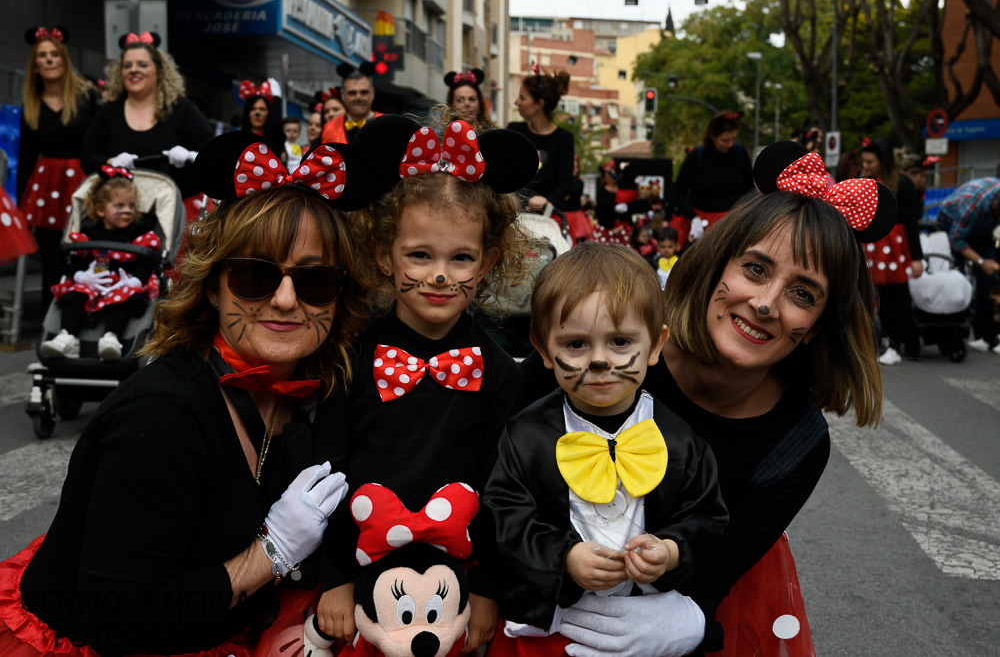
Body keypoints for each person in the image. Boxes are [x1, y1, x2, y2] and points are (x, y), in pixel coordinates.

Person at [0, 128, 387, 656]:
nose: (285, 299)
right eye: (255, 276)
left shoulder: (313, 394)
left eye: (315, 280)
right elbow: (117, 618)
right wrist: (269, 554)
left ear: (340, 297)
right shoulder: (162, 417)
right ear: (212, 284)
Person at [517, 141, 893, 656]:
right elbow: (494, 452)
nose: (764, 303)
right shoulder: (616, 338)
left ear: (817, 327)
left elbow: (713, 578)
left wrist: (690, 617)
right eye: (756, 269)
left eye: (802, 293)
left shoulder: (798, 442)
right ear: (718, 263)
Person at [311, 115, 539, 654]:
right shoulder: (349, 358)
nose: (440, 275)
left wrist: (487, 587)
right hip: (363, 582)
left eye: (461, 257)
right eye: (420, 255)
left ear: (488, 262)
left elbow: (501, 488)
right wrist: (334, 576)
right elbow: (326, 475)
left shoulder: (501, 371)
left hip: (456, 588)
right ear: (381, 253)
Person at [483, 243, 728, 657]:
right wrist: (566, 557)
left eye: (619, 341)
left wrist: (670, 551)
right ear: (544, 349)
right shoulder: (525, 434)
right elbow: (505, 514)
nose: (599, 361)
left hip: (646, 618)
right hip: (550, 621)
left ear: (655, 345)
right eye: (576, 344)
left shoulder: (680, 438)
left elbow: (706, 514)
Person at [81, 31, 214, 219]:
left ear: (159, 71)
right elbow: (87, 157)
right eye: (127, 65)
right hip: (122, 216)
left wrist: (191, 157)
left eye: (142, 64)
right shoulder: (108, 113)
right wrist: (111, 162)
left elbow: (212, 154)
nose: (134, 70)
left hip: (177, 213)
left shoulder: (182, 109)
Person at [18, 26, 99, 314]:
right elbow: (26, 156)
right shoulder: (32, 104)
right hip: (47, 186)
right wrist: (20, 206)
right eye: (43, 55)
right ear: (35, 64)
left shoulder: (87, 95)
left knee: (86, 252)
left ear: (64, 60)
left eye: (55, 54)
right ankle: (48, 324)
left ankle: (85, 319)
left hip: (83, 181)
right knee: (51, 259)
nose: (50, 60)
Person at [41, 167, 159, 361]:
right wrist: (80, 276)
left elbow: (147, 260)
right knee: (73, 295)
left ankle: (111, 338)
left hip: (123, 282)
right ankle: (68, 337)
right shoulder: (89, 233)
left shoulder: (138, 233)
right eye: (119, 206)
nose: (127, 211)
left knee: (122, 301)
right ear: (101, 210)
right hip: (93, 279)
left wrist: (137, 281)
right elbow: (77, 258)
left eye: (131, 206)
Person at [859, 137, 923, 364]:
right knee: (878, 297)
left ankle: (898, 344)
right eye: (864, 161)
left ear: (883, 161)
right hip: (874, 246)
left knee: (896, 297)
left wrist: (917, 258)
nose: (865, 165)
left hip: (895, 247)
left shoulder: (903, 184)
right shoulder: (865, 180)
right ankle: (893, 342)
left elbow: (912, 222)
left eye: (870, 161)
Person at [934, 178, 1000, 353]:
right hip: (952, 226)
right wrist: (980, 261)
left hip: (982, 230)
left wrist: (987, 264)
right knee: (958, 278)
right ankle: (954, 332)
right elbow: (957, 239)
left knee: (990, 278)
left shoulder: (995, 203)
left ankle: (984, 336)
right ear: (994, 205)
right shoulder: (973, 204)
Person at [671, 111, 754, 244]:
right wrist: (693, 218)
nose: (730, 144)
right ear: (712, 136)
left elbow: (750, 191)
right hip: (700, 224)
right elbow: (678, 194)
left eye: (734, 139)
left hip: (731, 224)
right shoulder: (696, 156)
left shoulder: (740, 153)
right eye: (725, 140)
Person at [508, 69, 575, 214]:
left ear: (539, 104)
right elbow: (503, 172)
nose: (517, 102)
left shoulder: (564, 138)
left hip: (547, 218)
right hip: (511, 214)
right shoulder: (513, 130)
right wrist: (508, 197)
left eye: (522, 98)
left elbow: (565, 183)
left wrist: (546, 201)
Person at [321, 63, 381, 144]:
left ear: (372, 93)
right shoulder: (329, 128)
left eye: (364, 92)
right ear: (343, 95)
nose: (358, 98)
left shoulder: (388, 124)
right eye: (352, 93)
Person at [237, 78, 285, 157]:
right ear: (247, 113)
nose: (257, 113)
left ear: (269, 113)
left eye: (262, 109)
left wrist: (277, 99)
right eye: (253, 109)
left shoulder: (275, 138)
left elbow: (276, 126)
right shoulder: (238, 139)